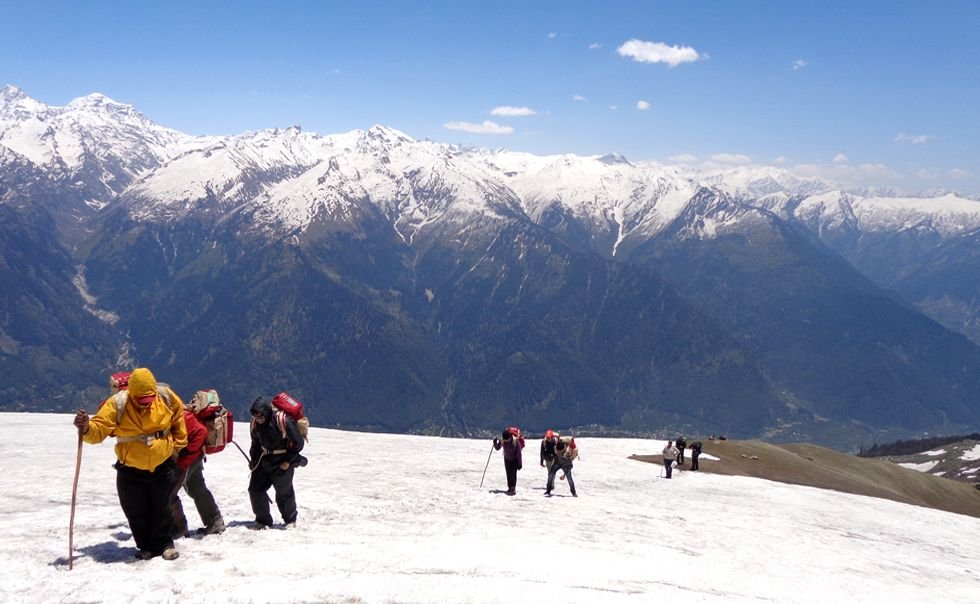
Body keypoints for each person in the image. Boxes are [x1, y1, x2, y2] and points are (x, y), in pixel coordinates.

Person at [72, 367, 187, 561]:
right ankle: (146, 546)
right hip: (130, 468)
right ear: (131, 393)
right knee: (136, 510)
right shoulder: (118, 404)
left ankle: (165, 544)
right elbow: (99, 429)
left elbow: (178, 421)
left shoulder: (166, 397)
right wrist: (86, 428)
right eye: (140, 400)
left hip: (163, 465)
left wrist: (176, 448)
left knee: (163, 507)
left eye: (148, 400)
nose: (145, 404)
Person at [248, 396, 306, 529]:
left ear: (266, 411)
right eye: (255, 415)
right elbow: (255, 444)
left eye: (260, 415)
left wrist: (288, 461)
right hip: (263, 460)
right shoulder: (255, 423)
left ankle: (290, 519)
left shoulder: (282, 420)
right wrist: (253, 461)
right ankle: (263, 520)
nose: (258, 418)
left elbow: (298, 443)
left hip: (282, 459)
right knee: (255, 490)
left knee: (283, 492)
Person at [171, 407, 225, 537]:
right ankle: (215, 521)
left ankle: (179, 528)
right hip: (196, 454)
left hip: (190, 457)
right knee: (197, 488)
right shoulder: (175, 412)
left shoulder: (179, 414)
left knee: (170, 491)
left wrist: (184, 459)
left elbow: (201, 432)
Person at [493, 427, 525, 495]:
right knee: (508, 474)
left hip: (514, 460)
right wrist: (495, 443)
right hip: (507, 459)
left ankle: (513, 488)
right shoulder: (503, 440)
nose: (506, 441)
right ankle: (510, 487)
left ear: (510, 437)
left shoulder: (515, 441)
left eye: (507, 440)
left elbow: (519, 453)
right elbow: (498, 448)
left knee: (513, 474)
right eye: (505, 440)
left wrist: (519, 464)